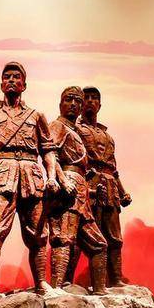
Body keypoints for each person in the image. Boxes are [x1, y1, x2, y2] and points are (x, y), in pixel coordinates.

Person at [0, 62, 59, 294]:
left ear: (24, 85)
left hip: (31, 174)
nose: (11, 80)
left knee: (38, 234)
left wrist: (51, 176)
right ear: (1, 84)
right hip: (0, 173)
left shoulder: (36, 116)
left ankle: (41, 282)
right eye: (7, 77)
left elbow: (48, 149)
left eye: (16, 77)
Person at [46, 86, 107, 294]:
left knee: (98, 244)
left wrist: (91, 192)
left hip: (80, 192)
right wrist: (62, 181)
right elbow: (50, 156)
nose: (73, 104)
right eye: (69, 99)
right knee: (64, 239)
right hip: (67, 189)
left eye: (77, 101)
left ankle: (100, 293)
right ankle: (56, 290)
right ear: (60, 104)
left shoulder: (76, 132)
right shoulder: (57, 126)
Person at [73, 86, 132, 287]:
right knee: (81, 234)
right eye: (86, 98)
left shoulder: (108, 137)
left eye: (94, 98)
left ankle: (116, 279)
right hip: (88, 185)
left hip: (110, 188)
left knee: (114, 236)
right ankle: (66, 281)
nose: (90, 101)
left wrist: (123, 192)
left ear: (100, 104)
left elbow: (113, 169)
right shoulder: (76, 130)